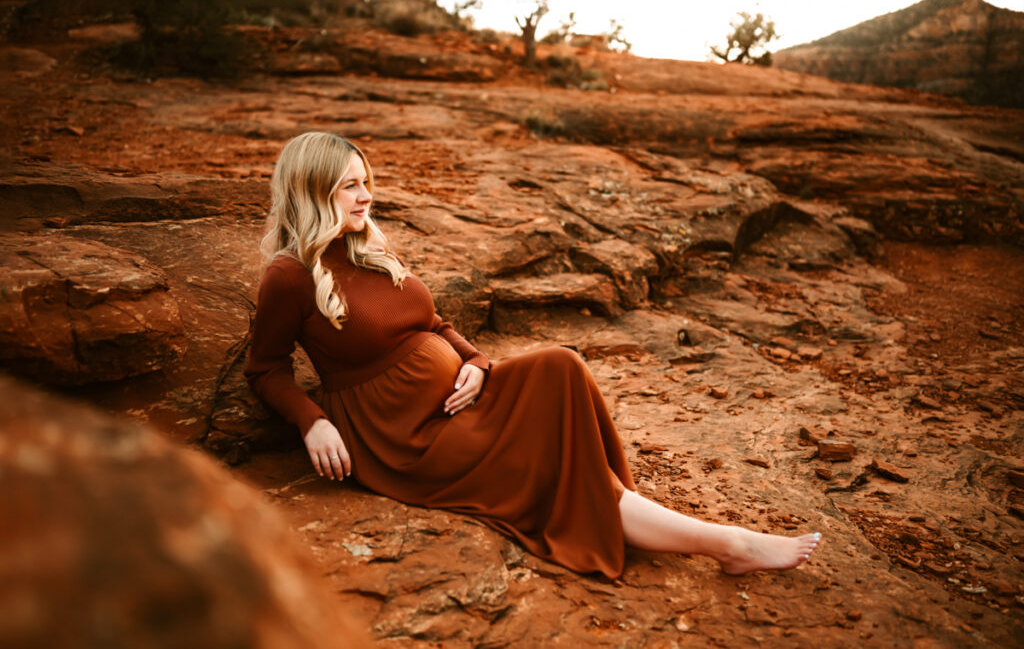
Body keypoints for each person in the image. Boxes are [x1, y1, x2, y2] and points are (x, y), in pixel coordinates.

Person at [244, 132, 821, 579]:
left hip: (460, 400)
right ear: (313, 191)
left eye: (366, 181)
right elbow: (265, 368)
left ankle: (634, 511)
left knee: (560, 365)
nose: (367, 195)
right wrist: (313, 421)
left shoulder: (367, 248)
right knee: (548, 465)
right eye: (349, 185)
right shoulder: (289, 276)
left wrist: (475, 363)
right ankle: (727, 544)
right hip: (404, 437)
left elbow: (435, 324)